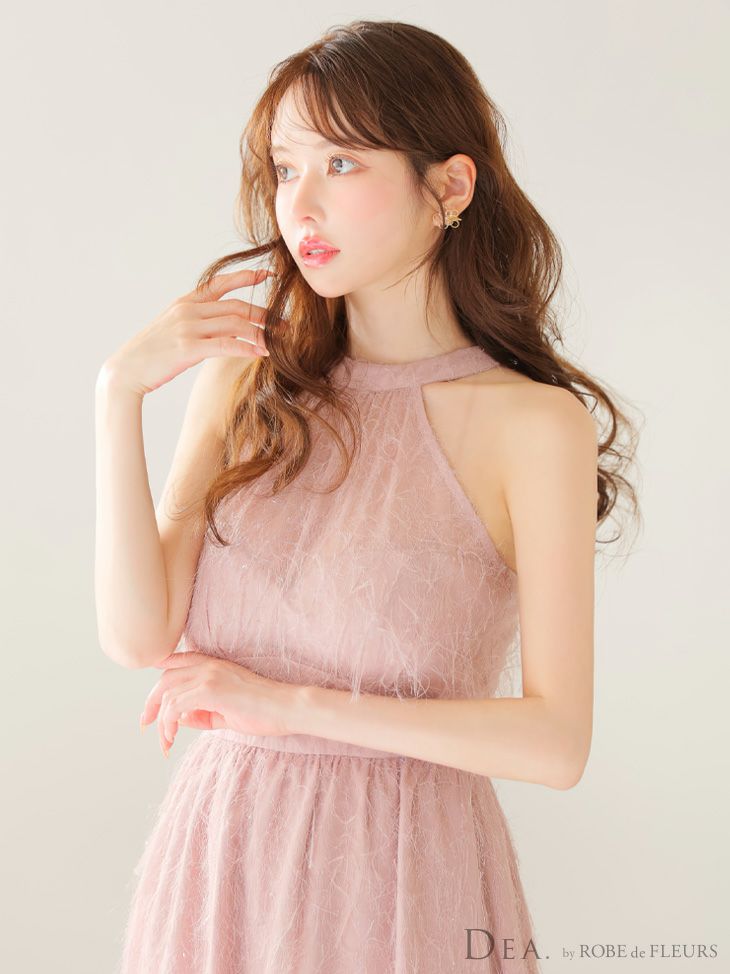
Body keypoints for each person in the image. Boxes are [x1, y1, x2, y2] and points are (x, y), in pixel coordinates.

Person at [96, 19, 640, 974]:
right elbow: (140, 638)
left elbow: (556, 744)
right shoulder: (247, 380)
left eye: (341, 163)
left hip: (403, 880)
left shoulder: (530, 424)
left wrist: (285, 704)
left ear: (450, 188)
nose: (299, 202)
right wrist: (117, 395)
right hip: (221, 864)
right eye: (284, 168)